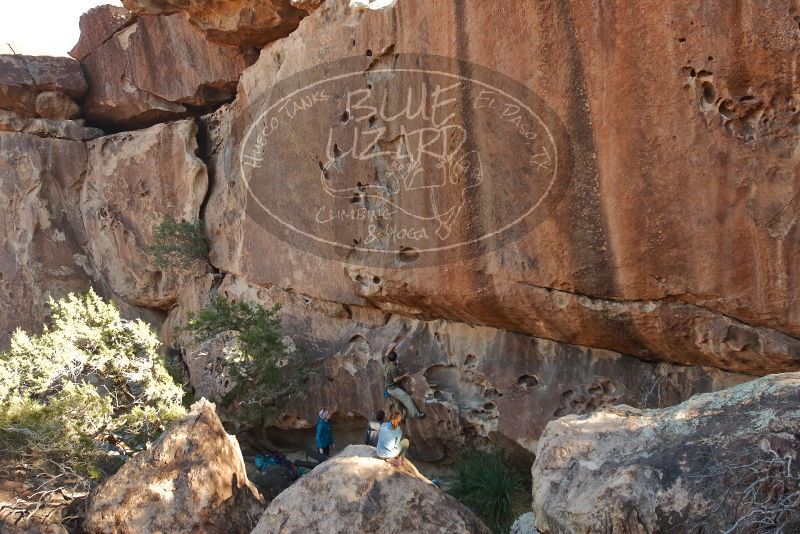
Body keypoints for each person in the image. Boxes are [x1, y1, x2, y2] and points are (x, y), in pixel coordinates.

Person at [383, 352, 426, 418]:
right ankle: (416, 414)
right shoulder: (393, 368)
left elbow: (386, 355)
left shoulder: (386, 364)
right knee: (407, 398)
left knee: (398, 403)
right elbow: (395, 380)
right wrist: (404, 375)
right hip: (393, 389)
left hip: (388, 388)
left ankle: (400, 417)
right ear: (395, 359)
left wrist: (390, 349)